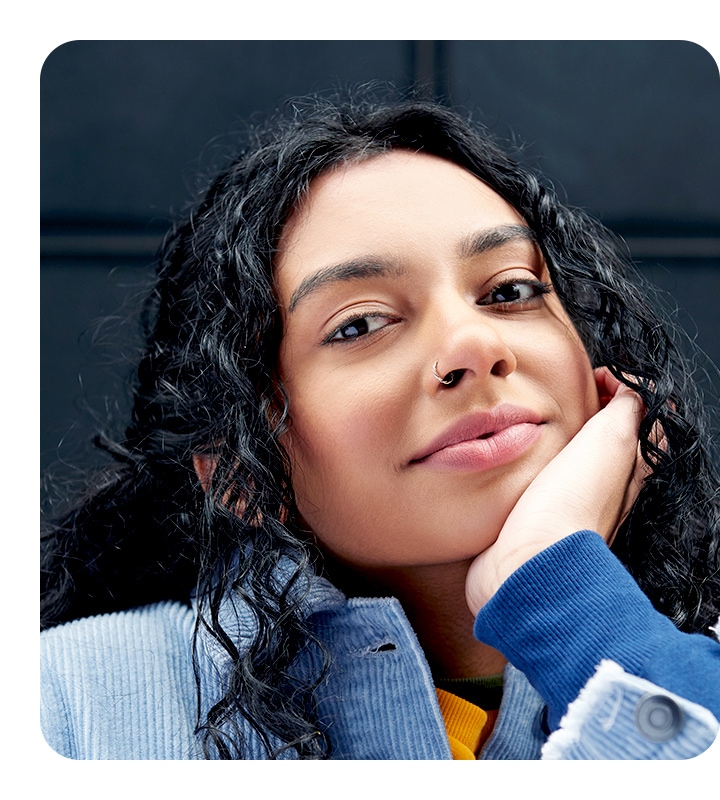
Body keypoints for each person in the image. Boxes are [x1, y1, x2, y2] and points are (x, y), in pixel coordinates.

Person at [40, 93, 720, 760]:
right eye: (359, 324)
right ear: (241, 473)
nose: (473, 346)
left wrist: (555, 583)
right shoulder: (63, 709)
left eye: (509, 290)